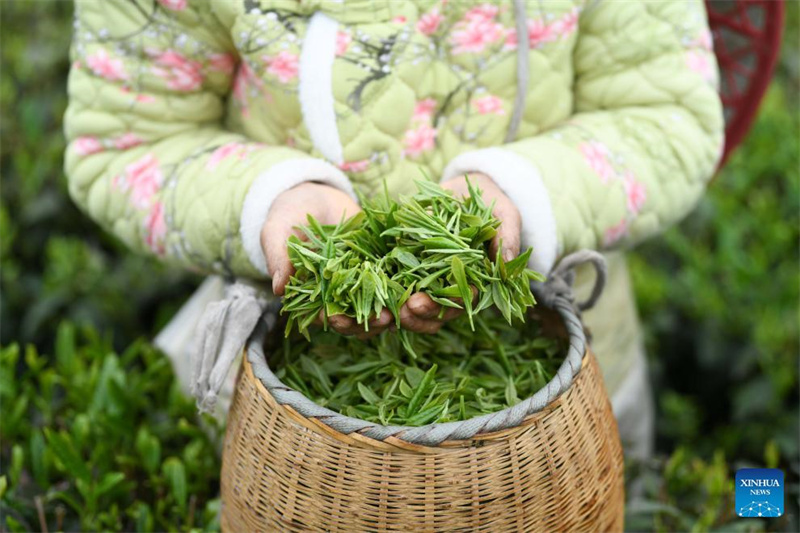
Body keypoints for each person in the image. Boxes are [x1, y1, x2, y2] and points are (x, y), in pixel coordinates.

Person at [64, 0, 724, 460]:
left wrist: (523, 193)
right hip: (292, 371)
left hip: (566, 356)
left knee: (594, 492)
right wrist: (269, 199)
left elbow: (665, 114)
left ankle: (764, 498)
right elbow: (127, 138)